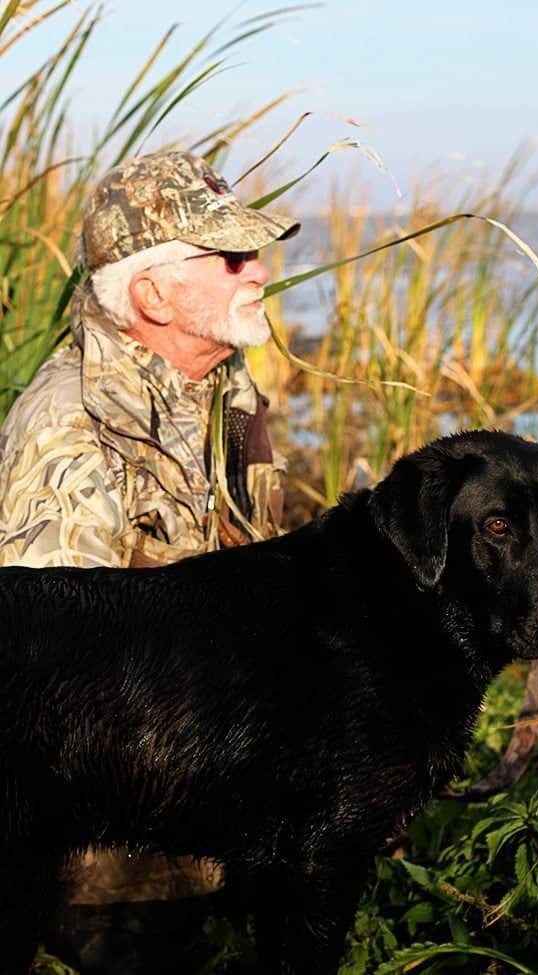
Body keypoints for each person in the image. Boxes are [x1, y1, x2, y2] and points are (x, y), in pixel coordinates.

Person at [0, 149, 299, 972]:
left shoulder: (227, 395)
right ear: (153, 293)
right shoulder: (69, 431)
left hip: (220, 829)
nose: (257, 270)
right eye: (230, 257)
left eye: (254, 250)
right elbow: (49, 695)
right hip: (114, 874)